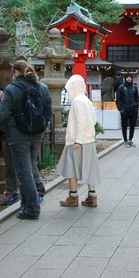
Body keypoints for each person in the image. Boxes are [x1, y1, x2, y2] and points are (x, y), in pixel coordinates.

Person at [0, 82, 46, 206]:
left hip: (19, 136)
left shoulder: (11, 95)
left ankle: (37, 190)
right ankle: (12, 192)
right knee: (10, 167)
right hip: (6, 138)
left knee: (28, 165)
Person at [0, 61, 52, 220]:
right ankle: (26, 205)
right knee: (29, 168)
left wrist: (5, 129)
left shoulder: (11, 89)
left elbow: (3, 113)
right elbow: (48, 111)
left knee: (24, 172)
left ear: (15, 72)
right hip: (36, 134)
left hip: (17, 135)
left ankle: (32, 209)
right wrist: (41, 127)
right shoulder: (42, 87)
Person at [56, 75, 103, 207]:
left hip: (77, 141)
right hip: (89, 140)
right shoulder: (86, 100)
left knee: (72, 168)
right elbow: (93, 120)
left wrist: (77, 140)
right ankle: (92, 195)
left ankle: (73, 196)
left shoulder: (77, 101)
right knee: (89, 167)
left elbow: (80, 122)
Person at [116, 73, 139, 147]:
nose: (129, 79)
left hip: (133, 110)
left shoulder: (134, 87)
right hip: (124, 110)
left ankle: (130, 140)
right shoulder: (121, 87)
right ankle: (125, 140)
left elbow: (137, 98)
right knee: (124, 126)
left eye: (130, 77)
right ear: (125, 78)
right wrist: (120, 109)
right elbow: (118, 99)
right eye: (127, 77)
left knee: (132, 125)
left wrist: (136, 106)